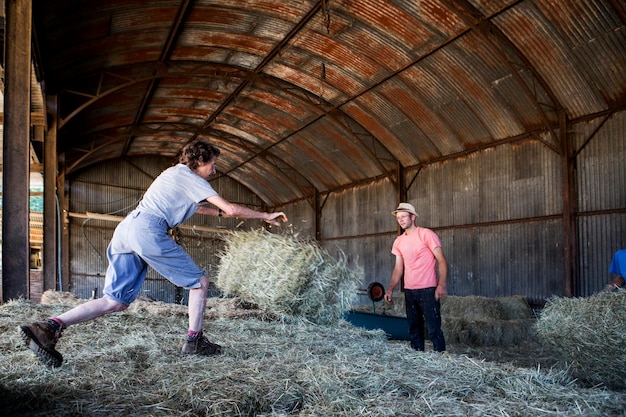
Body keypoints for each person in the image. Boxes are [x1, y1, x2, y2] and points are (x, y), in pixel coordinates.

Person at [18, 140, 288, 367]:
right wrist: (265, 215)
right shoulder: (189, 176)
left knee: (115, 301)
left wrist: (216, 212)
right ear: (199, 160)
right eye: (212, 164)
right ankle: (194, 340)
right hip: (148, 229)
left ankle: (49, 326)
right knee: (200, 282)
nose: (214, 170)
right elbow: (230, 209)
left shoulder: (174, 176)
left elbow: (202, 208)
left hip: (128, 229)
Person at [384, 202, 448, 352]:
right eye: (398, 217)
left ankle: (441, 359)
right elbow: (399, 268)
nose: (400, 220)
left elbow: (441, 260)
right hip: (410, 290)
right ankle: (417, 358)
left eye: (403, 217)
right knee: (414, 328)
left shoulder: (426, 234)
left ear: (413, 217)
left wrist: (442, 284)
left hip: (428, 289)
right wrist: (390, 288)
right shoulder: (399, 241)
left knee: (433, 328)